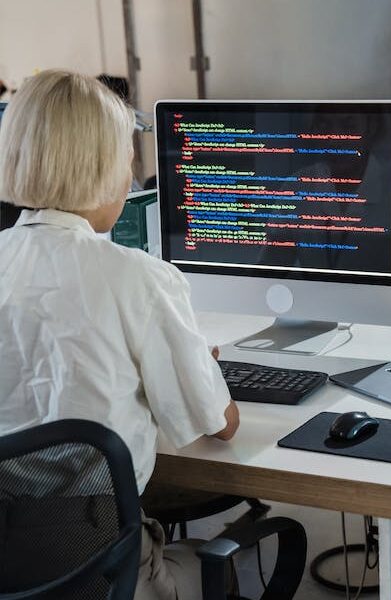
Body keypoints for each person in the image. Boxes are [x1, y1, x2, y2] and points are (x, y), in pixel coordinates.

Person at [0, 69, 239, 599]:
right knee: (223, 562)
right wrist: (199, 364)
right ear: (107, 167)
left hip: (12, 568)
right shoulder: (137, 278)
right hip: (99, 572)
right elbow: (219, 426)